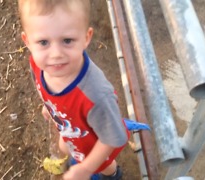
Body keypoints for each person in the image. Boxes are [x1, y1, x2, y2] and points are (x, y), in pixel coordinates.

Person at [18, 0, 130, 179]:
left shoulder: (96, 96)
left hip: (98, 141)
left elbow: (113, 137)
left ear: (86, 37)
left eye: (67, 40)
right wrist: (49, 106)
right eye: (43, 42)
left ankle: (113, 175)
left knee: (104, 165)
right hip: (72, 128)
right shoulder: (38, 64)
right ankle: (80, 159)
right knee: (65, 147)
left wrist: (85, 169)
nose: (56, 54)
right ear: (28, 41)